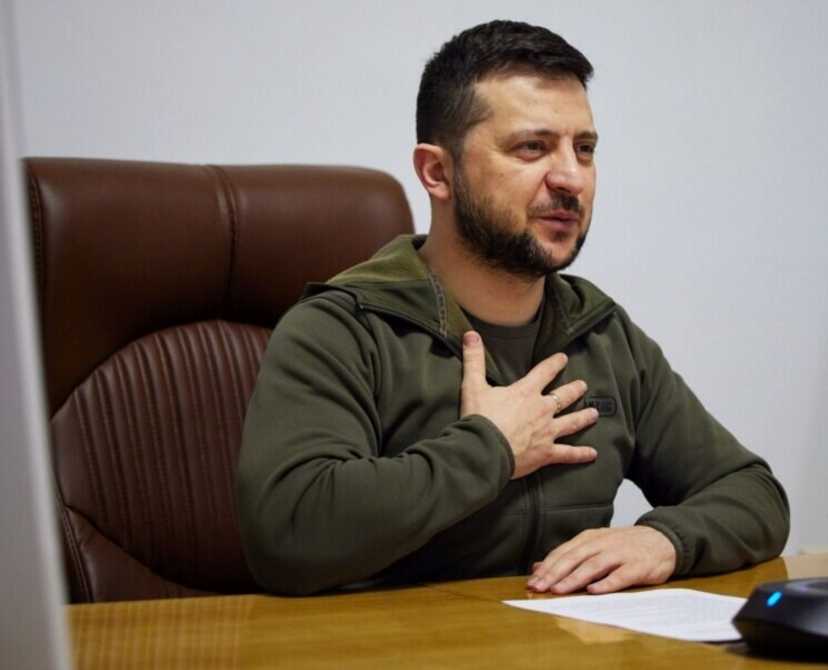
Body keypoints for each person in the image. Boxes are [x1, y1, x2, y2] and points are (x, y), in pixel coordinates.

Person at [236, 19, 790, 597]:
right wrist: (492, 447)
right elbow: (287, 531)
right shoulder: (341, 329)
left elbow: (754, 494)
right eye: (533, 147)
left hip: (555, 638)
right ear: (438, 172)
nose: (571, 178)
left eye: (584, 149)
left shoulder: (602, 334)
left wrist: (664, 540)